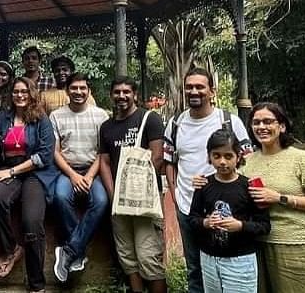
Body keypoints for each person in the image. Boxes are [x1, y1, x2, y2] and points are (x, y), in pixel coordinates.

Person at [163, 68, 251, 293]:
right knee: (194, 268)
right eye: (189, 87)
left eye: (200, 87)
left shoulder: (229, 122)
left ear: (212, 91)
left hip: (226, 208)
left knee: (228, 264)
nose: (194, 91)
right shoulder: (175, 124)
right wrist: (174, 194)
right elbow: (170, 162)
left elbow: (247, 162)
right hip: (187, 207)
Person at [240, 102, 305, 293]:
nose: (261, 127)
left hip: (294, 245)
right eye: (256, 123)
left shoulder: (302, 159)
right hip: (256, 244)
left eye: (267, 121)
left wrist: (279, 198)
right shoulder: (247, 162)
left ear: (282, 126)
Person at [0, 77, 58, 293]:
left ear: (32, 93)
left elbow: (44, 156)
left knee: (31, 222)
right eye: (16, 91)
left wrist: (12, 171)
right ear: (11, 94)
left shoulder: (41, 120)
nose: (20, 95)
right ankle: (10, 249)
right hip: (10, 171)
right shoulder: (3, 118)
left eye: (24, 91)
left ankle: (36, 285)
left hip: (35, 175)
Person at [99, 76, 167, 293]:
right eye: (117, 92)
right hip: (119, 204)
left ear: (134, 94)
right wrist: (114, 196)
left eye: (126, 92)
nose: (121, 96)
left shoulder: (150, 119)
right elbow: (104, 162)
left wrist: (137, 192)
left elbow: (158, 158)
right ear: (111, 95)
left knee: (148, 256)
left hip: (145, 202)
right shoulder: (106, 127)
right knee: (127, 256)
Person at [187, 129, 270, 293]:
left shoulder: (250, 187)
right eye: (216, 156)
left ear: (238, 156)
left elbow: (264, 225)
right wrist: (206, 222)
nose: (222, 161)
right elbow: (192, 219)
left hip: (241, 261)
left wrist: (240, 226)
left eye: (228, 156)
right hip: (209, 259)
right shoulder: (204, 185)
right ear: (209, 157)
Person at [50, 73, 109, 282]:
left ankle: (69, 249)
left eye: (82, 88)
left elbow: (103, 152)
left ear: (88, 90)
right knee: (60, 197)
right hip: (68, 171)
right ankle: (78, 252)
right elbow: (55, 152)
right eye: (73, 88)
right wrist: (74, 176)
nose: (78, 92)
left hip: (95, 170)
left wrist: (90, 176)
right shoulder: (56, 116)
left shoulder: (101, 116)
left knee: (101, 201)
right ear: (67, 91)